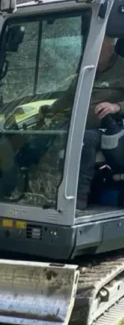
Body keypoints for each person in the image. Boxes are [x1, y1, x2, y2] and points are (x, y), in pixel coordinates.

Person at [43, 36, 124, 209]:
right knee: (50, 136)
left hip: (107, 128)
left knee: (86, 139)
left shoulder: (122, 68)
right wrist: (50, 110)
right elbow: (68, 97)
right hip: (76, 123)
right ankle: (47, 189)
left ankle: (79, 195)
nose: (92, 54)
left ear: (109, 50)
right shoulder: (88, 69)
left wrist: (116, 106)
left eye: (97, 49)